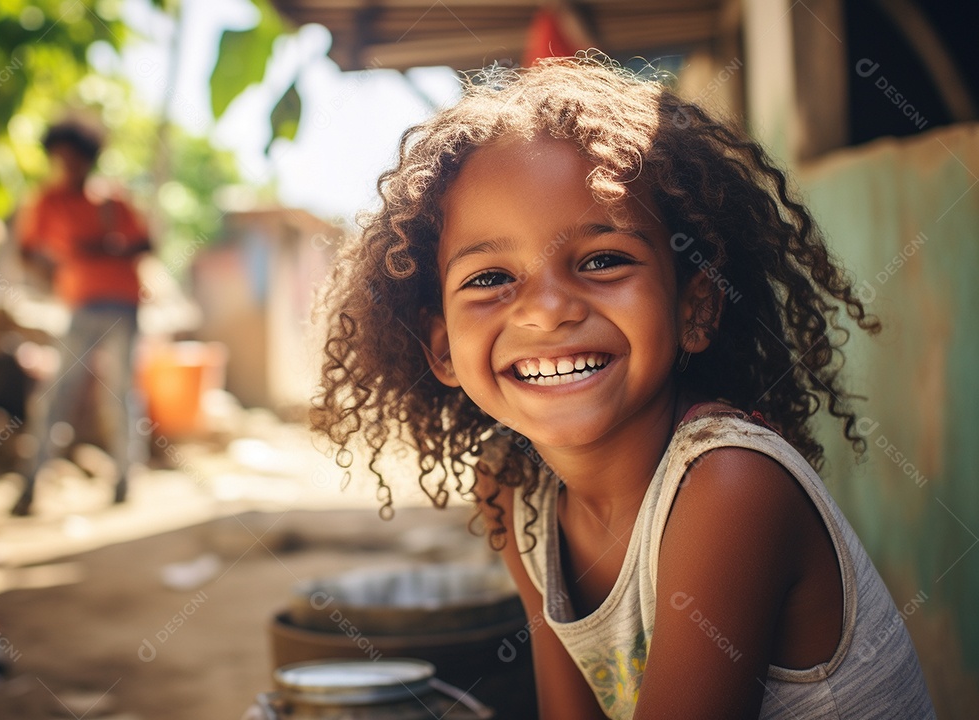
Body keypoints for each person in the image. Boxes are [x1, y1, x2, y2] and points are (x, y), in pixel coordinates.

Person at [310, 56, 935, 719]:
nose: (547, 311)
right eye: (490, 278)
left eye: (603, 261)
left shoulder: (729, 486)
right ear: (441, 348)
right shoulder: (515, 495)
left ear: (695, 307)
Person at [11, 121, 150, 516]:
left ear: (89, 160)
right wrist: (52, 276)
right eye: (61, 159)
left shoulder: (112, 201)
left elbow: (145, 243)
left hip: (122, 306)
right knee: (57, 395)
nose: (67, 166)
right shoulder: (47, 201)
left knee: (120, 395)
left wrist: (105, 249)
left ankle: (125, 480)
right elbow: (27, 250)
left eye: (75, 159)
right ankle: (30, 485)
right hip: (80, 307)